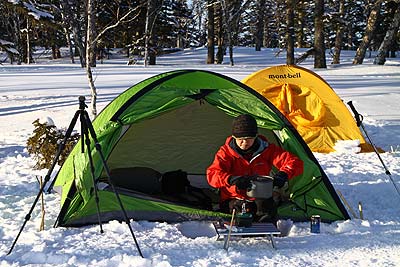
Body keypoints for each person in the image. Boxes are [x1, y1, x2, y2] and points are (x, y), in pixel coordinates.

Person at [206, 114, 303, 222]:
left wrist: (284, 174)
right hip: (234, 197)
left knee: (267, 217)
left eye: (249, 139)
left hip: (261, 196)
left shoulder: (267, 149)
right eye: (240, 139)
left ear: (256, 136)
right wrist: (232, 179)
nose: (244, 143)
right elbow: (212, 174)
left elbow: (294, 162)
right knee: (240, 220)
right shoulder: (226, 152)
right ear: (234, 137)